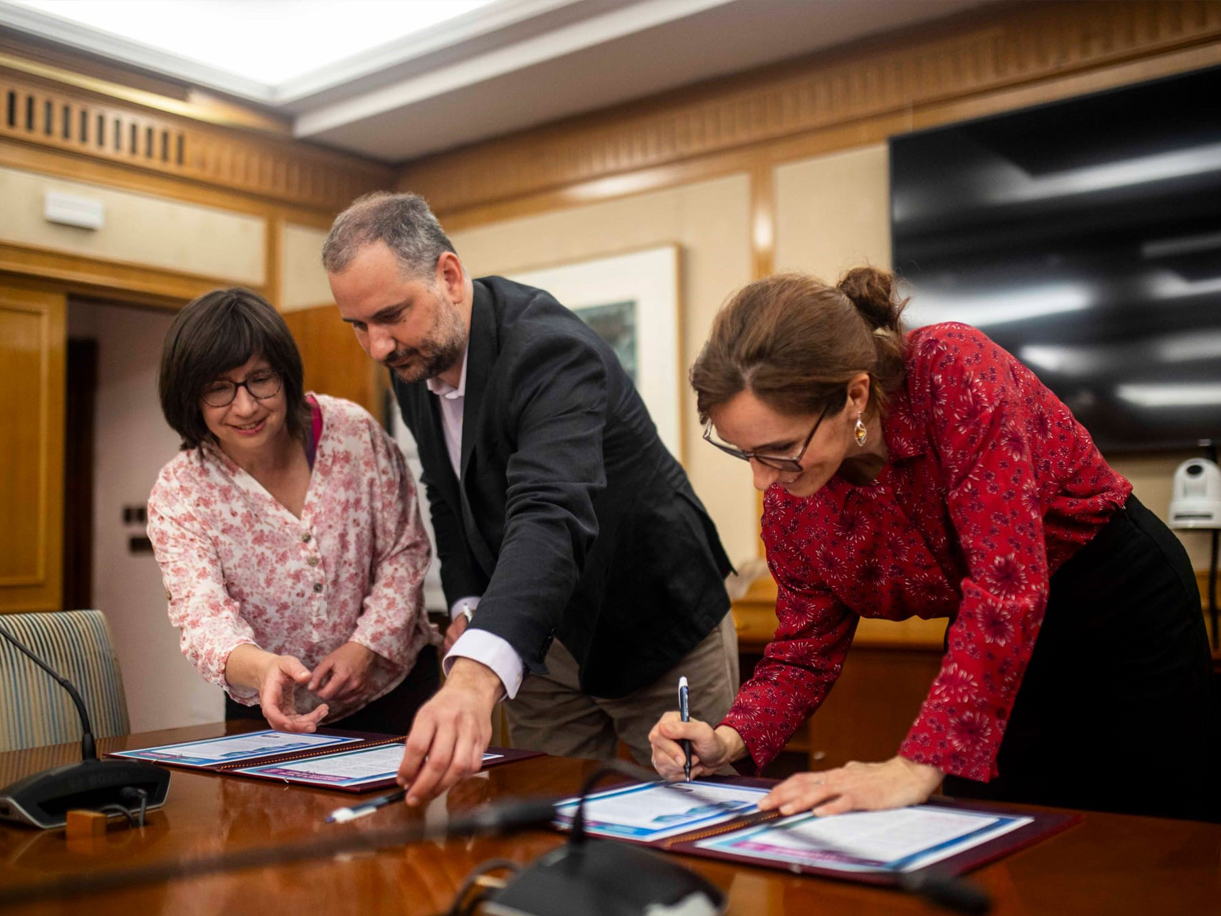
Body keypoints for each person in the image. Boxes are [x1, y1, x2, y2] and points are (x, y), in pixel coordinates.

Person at [649, 268, 1217, 822]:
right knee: (1001, 830)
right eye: (743, 452)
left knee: (1151, 826)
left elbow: (1005, 581)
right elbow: (804, 648)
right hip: (986, 630)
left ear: (854, 394)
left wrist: (919, 764)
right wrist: (728, 738)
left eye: (778, 449)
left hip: (1115, 599)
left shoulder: (952, 370)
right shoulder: (791, 503)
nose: (762, 479)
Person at [323, 192, 739, 805]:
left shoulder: (551, 351)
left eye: (390, 315)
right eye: (358, 326)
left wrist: (473, 677)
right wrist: (469, 600)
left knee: (696, 821)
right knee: (546, 819)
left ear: (449, 275)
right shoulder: (412, 360)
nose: (378, 346)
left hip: (650, 617)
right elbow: (448, 490)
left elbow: (549, 510)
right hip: (537, 637)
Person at [148, 288, 440, 735]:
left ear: (285, 374)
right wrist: (265, 670)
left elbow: (404, 551)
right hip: (268, 711)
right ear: (189, 396)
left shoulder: (352, 433)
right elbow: (203, 617)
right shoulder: (181, 491)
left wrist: (366, 646)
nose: (245, 406)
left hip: (394, 693)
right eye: (218, 389)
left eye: (260, 379)